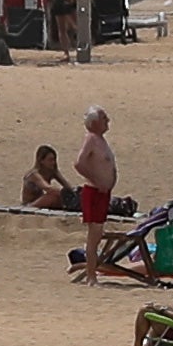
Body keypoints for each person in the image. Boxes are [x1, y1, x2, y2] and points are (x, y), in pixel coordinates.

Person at [67, 108, 117, 286]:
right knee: (94, 235)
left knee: (98, 233)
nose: (108, 120)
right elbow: (79, 163)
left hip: (103, 192)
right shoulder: (91, 139)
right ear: (95, 122)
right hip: (94, 191)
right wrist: (97, 180)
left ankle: (91, 272)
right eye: (104, 118)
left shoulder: (100, 140)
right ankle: (91, 276)